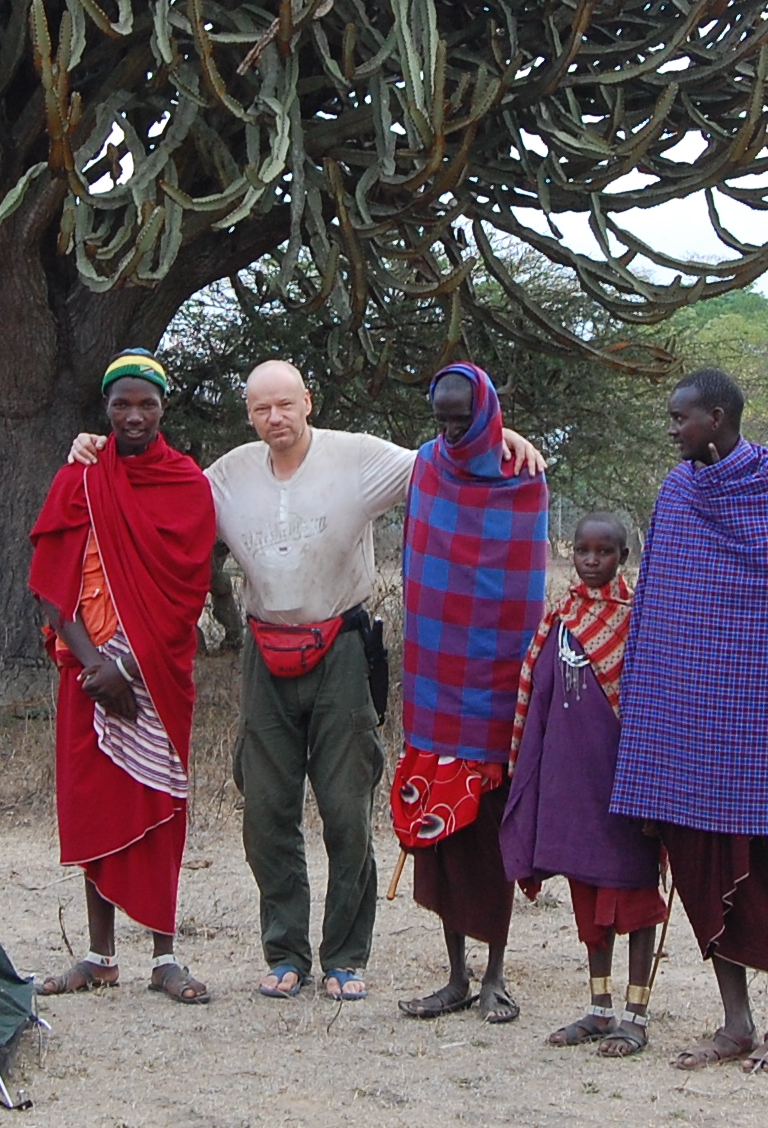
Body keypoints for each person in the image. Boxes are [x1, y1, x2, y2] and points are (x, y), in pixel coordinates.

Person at [74, 359, 544, 1002]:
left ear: (309, 402)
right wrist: (95, 452)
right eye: (262, 408)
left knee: (347, 809)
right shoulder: (224, 477)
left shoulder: (360, 458)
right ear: (249, 413)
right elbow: (150, 494)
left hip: (344, 648)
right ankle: (286, 953)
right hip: (263, 650)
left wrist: (503, 436)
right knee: (266, 810)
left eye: (286, 405)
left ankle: (346, 958)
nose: (276, 418)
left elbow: (453, 455)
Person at [608, 368, 768, 1074]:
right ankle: (735, 1023)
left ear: (716, 417)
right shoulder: (678, 489)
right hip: (690, 719)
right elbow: (663, 608)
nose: (672, 428)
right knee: (698, 862)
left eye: (680, 417)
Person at [27, 352, 218, 1005]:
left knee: (159, 806)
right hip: (87, 671)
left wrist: (126, 665)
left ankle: (165, 956)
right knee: (94, 804)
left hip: (154, 673)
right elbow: (54, 588)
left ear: (163, 408)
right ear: (105, 409)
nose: (134, 416)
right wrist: (92, 663)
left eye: (146, 405)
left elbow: (186, 594)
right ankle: (99, 955)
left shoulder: (187, 483)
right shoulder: (77, 480)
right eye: (121, 405)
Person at [389, 363, 547, 1026]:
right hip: (434, 678)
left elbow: (525, 579)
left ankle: (496, 976)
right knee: (440, 836)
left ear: (486, 412)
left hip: (498, 687)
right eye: (442, 418)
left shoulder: (523, 476)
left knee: (490, 834)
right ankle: (454, 976)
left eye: (462, 418)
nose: (451, 430)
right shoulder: (426, 465)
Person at [499, 511, 666, 1057]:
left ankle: (636, 1015)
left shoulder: (638, 618)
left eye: (605, 552)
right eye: (583, 551)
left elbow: (653, 704)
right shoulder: (560, 618)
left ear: (623, 556)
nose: (592, 561)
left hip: (625, 786)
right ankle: (599, 1009)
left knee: (634, 897)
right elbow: (538, 695)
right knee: (587, 891)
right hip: (572, 784)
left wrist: (654, 788)